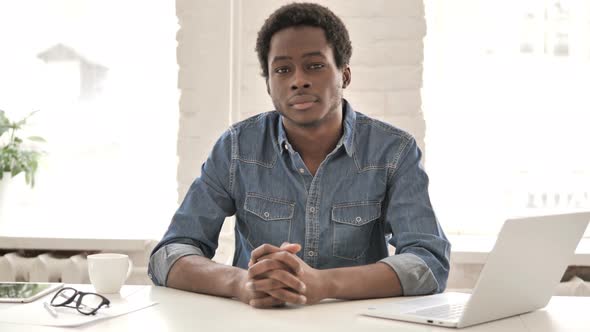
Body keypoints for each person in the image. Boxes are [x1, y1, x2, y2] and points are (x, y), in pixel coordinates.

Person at [148, 2, 450, 309]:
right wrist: (240, 282)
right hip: (256, 323)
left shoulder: (393, 151)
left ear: (344, 75)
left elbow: (429, 263)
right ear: (268, 83)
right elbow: (169, 254)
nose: (298, 80)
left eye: (315, 66)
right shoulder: (237, 147)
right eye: (282, 70)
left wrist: (324, 283)